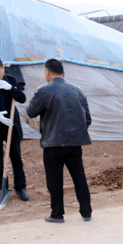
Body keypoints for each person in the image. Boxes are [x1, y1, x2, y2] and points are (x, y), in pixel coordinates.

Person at [26, 59, 92, 223]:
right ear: (63, 73)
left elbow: (31, 112)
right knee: (79, 177)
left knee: (55, 180)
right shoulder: (78, 91)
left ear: (47, 72)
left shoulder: (43, 91)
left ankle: (57, 214)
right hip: (75, 143)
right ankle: (86, 212)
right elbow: (87, 119)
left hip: (53, 143)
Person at [0, 56, 28, 202]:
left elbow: (22, 98)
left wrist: (10, 88)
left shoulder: (11, 80)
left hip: (11, 124)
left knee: (16, 157)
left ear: (3, 68)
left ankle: (21, 186)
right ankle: (0, 187)